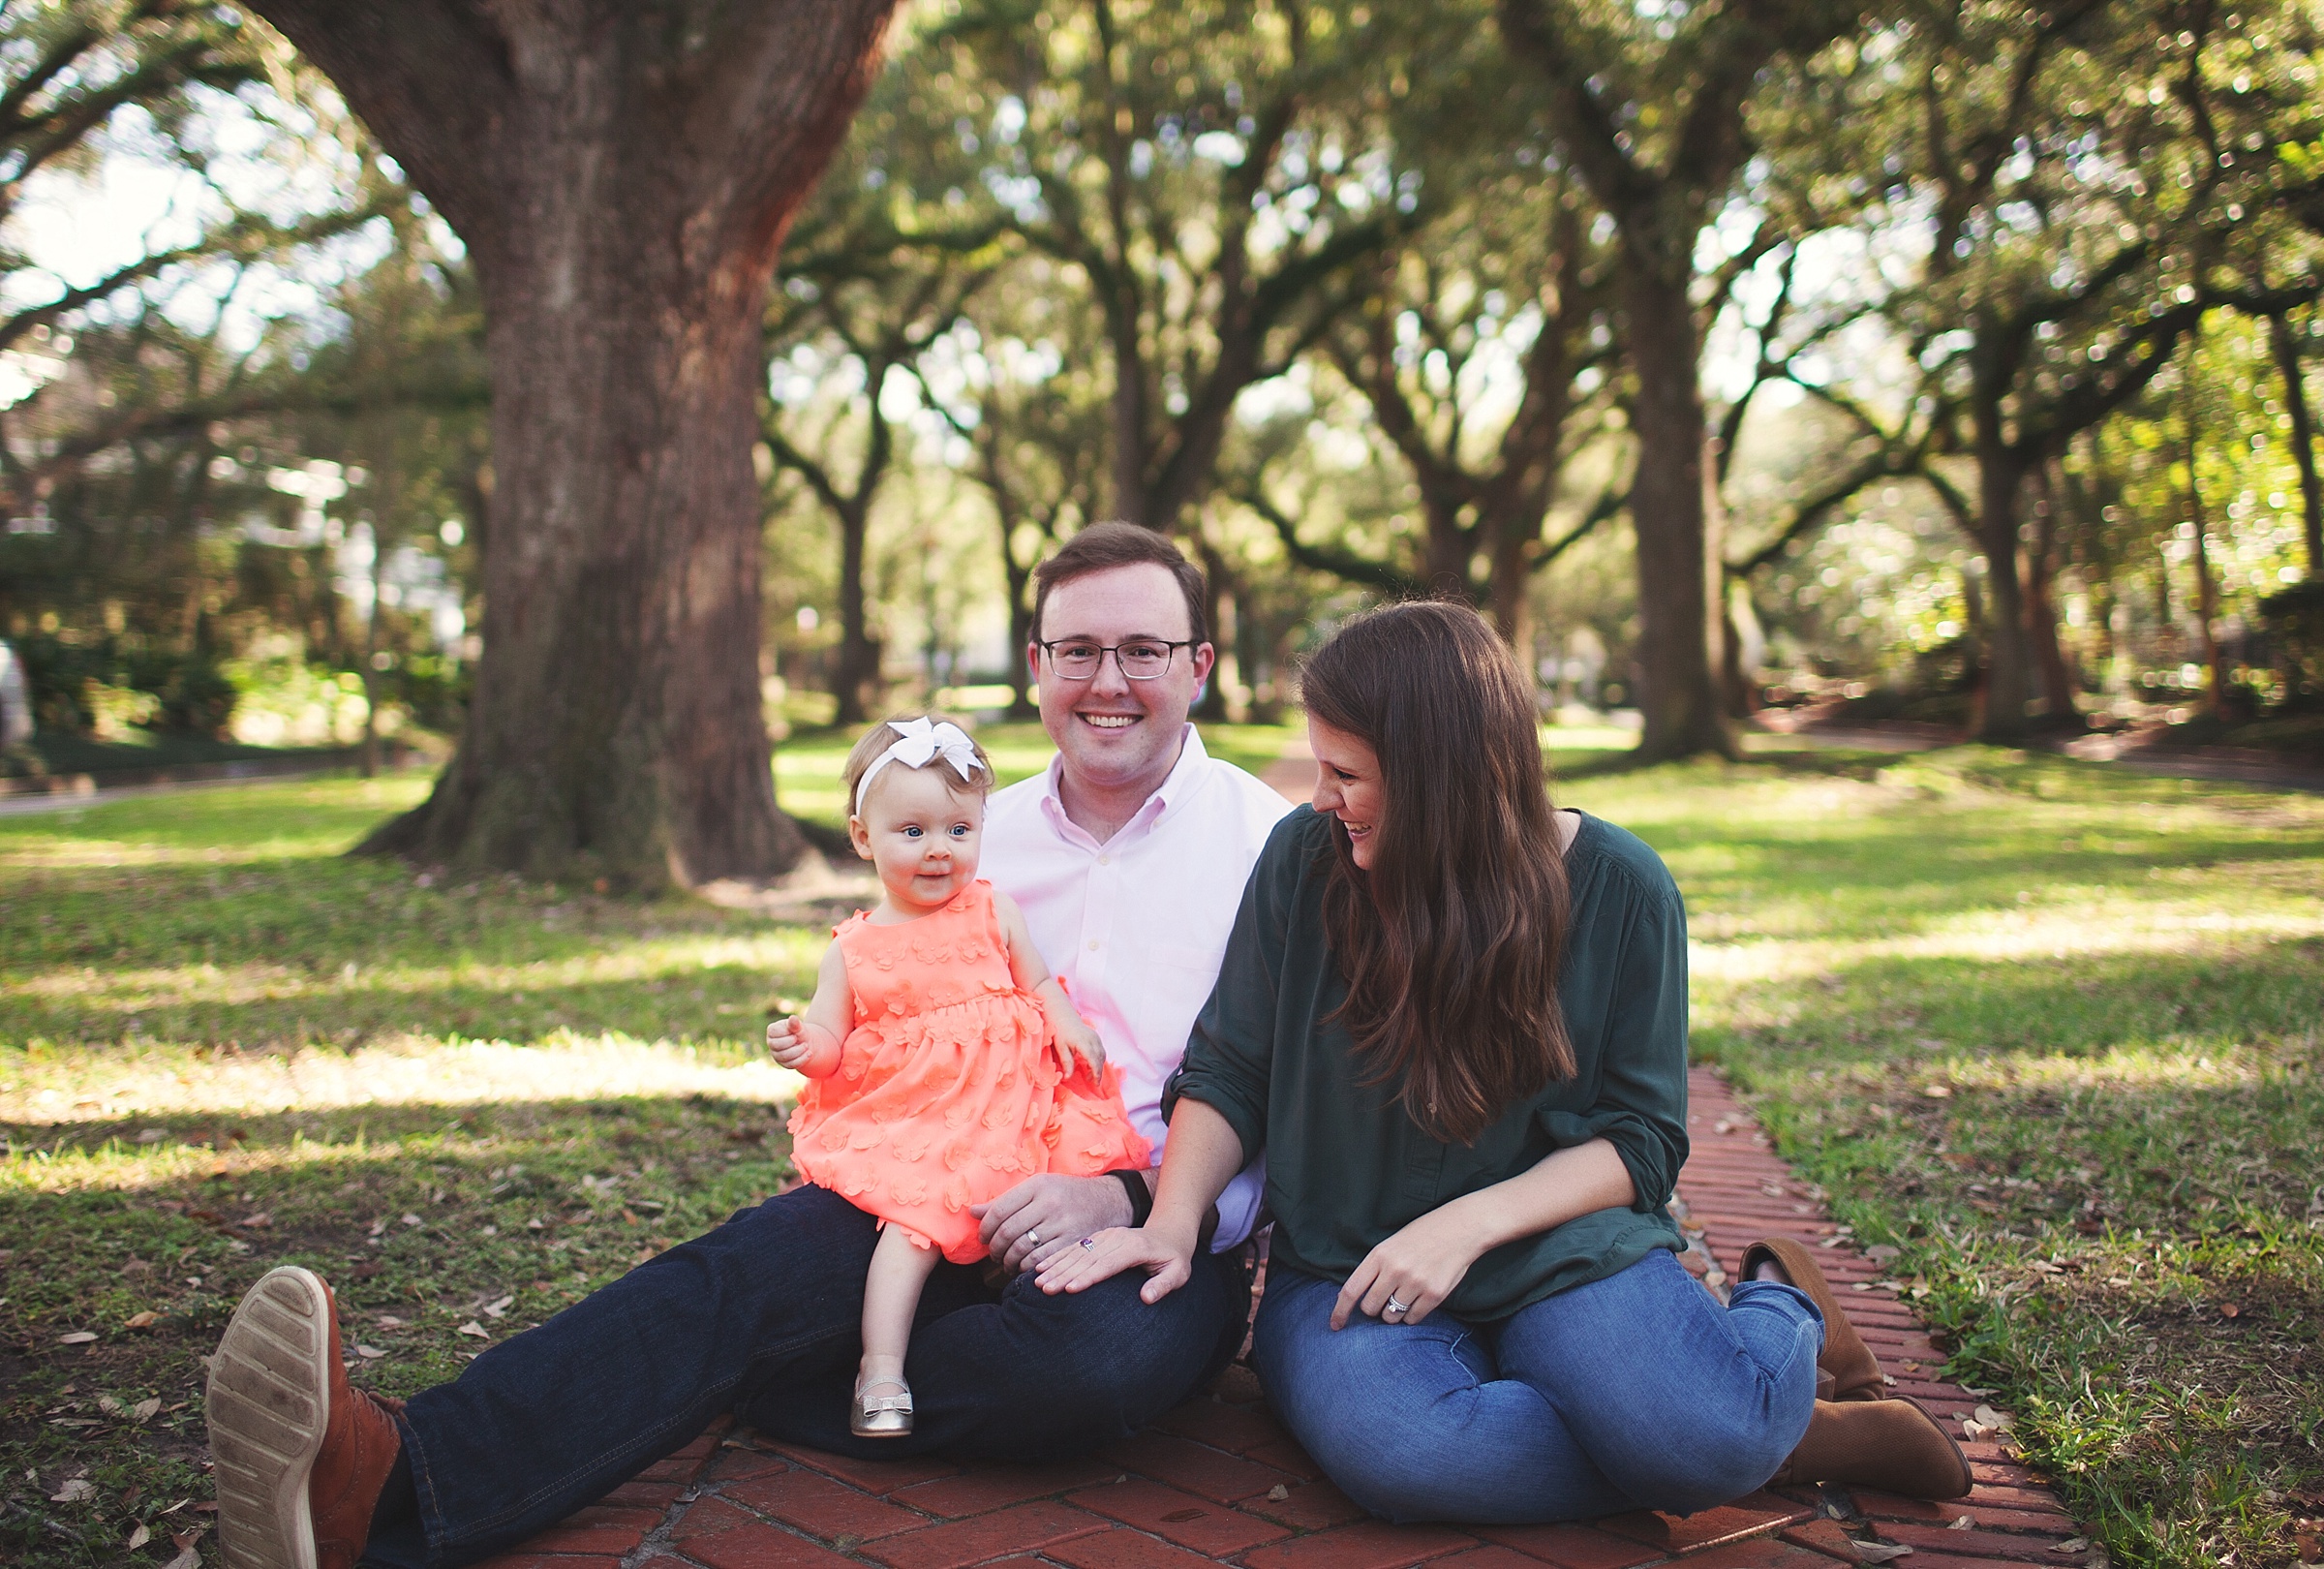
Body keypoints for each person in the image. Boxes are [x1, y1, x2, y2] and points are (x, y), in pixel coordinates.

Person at [203, 522, 1294, 1569]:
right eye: (1079, 650)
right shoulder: (966, 834)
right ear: (1036, 665)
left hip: (1149, 1226)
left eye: (1142, 650)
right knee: (746, 1271)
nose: (1109, 680)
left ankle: (746, 1371)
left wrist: (1131, 1199)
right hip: (932, 1182)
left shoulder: (1271, 851)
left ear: (1197, 664)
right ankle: (386, 1479)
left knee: (1092, 1369)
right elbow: (888, 1010)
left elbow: (1284, 1093)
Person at [1040, 600, 1972, 1520]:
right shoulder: (1304, 861)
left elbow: (1643, 1141)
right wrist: (1173, 1223)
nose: (1323, 798)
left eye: (1347, 774)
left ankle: (1774, 1315)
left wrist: (1465, 1227)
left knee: (1707, 1436)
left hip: (1560, 1252)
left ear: (1436, 777)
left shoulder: (1625, 889)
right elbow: (1229, 1067)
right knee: (1416, 1458)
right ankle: (1769, 1441)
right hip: (1347, 1269)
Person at [766, 715, 1150, 1438]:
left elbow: (1038, 981)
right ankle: (881, 1368)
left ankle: (1012, 1295)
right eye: (911, 832)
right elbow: (830, 1040)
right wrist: (802, 1044)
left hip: (1024, 1104)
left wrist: (1067, 1023)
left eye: (958, 831)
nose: (938, 851)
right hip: (932, 1119)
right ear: (862, 838)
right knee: (913, 1228)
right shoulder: (854, 950)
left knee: (1060, 1189)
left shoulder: (993, 909)